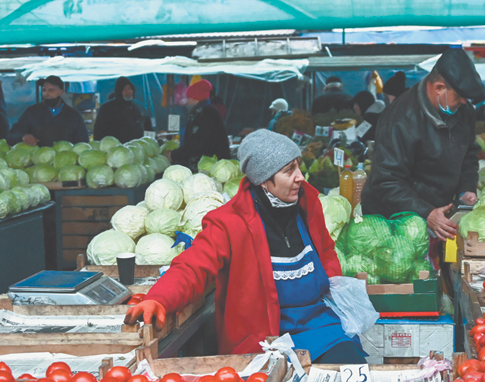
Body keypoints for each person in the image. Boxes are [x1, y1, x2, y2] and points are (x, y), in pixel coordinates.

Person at [125, 130, 367, 363]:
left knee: (350, 367)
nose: (300, 177)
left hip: (319, 324)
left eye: (298, 166)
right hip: (265, 337)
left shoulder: (307, 205)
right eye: (289, 170)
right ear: (264, 179)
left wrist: (335, 287)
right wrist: (160, 299)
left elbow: (325, 251)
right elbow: (192, 266)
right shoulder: (228, 222)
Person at [361, 48, 485, 244]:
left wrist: (466, 189)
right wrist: (426, 213)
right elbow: (386, 182)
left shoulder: (463, 111)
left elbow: (469, 155)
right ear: (439, 88)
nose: (464, 101)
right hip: (394, 225)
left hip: (439, 217)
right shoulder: (400, 119)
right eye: (459, 96)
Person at [7, 75, 88, 147]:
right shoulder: (32, 112)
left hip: (64, 162)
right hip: (37, 161)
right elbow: (11, 135)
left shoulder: (74, 116)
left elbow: (83, 143)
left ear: (61, 92)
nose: (46, 94)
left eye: (51, 90)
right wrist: (23, 136)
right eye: (44, 90)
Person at [170, 79, 230, 169]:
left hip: (212, 166)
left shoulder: (205, 114)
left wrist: (173, 155)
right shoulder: (203, 112)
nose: (186, 102)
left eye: (189, 98)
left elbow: (196, 144)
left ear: (196, 99)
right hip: (209, 165)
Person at [93, 77, 151, 144]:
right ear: (119, 91)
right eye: (124, 89)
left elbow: (148, 126)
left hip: (138, 149)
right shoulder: (107, 108)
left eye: (130, 88)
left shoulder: (139, 107)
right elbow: (98, 131)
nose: (128, 91)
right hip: (116, 150)